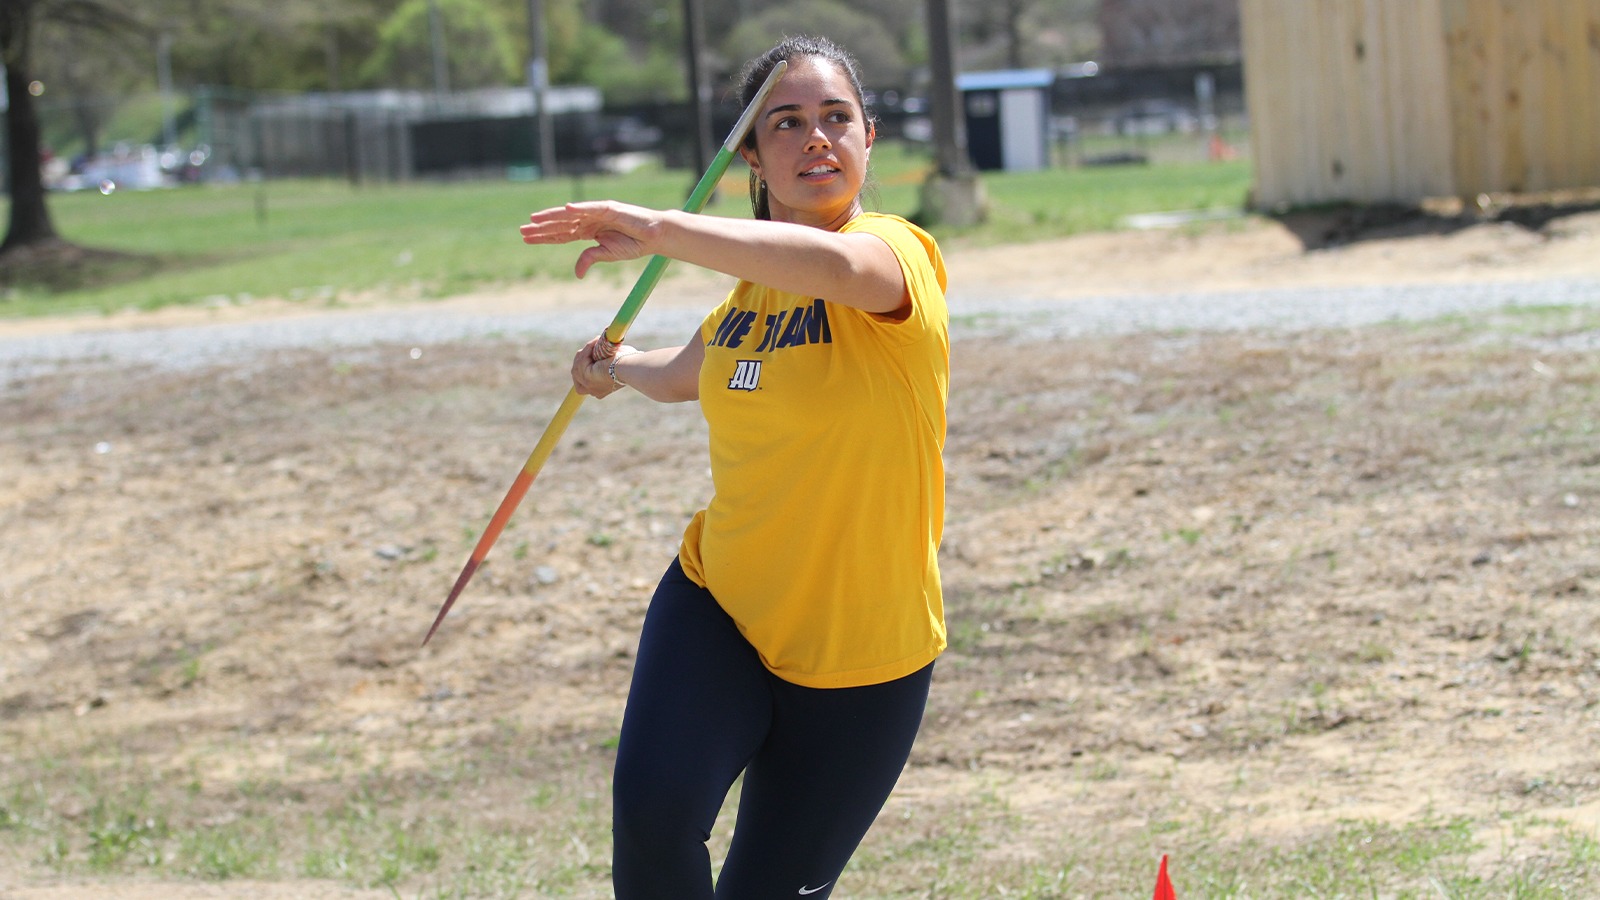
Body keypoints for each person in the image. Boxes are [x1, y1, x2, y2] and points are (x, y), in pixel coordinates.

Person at [518, 35, 950, 899]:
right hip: (722, 604)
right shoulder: (747, 300)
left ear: (868, 137)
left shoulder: (895, 256)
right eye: (786, 123)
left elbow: (837, 268)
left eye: (836, 118)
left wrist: (657, 228)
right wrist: (615, 368)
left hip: (860, 653)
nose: (816, 137)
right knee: (651, 820)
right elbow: (691, 373)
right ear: (751, 155)